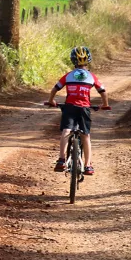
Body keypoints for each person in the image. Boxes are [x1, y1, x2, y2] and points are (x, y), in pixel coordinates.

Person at [46, 47, 110, 176]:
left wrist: (51, 101)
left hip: (69, 107)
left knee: (66, 130)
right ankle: (87, 166)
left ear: (72, 60)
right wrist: (105, 105)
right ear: (88, 60)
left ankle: (61, 160)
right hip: (84, 108)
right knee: (85, 135)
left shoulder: (68, 76)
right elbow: (103, 92)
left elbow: (54, 89)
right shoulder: (92, 77)